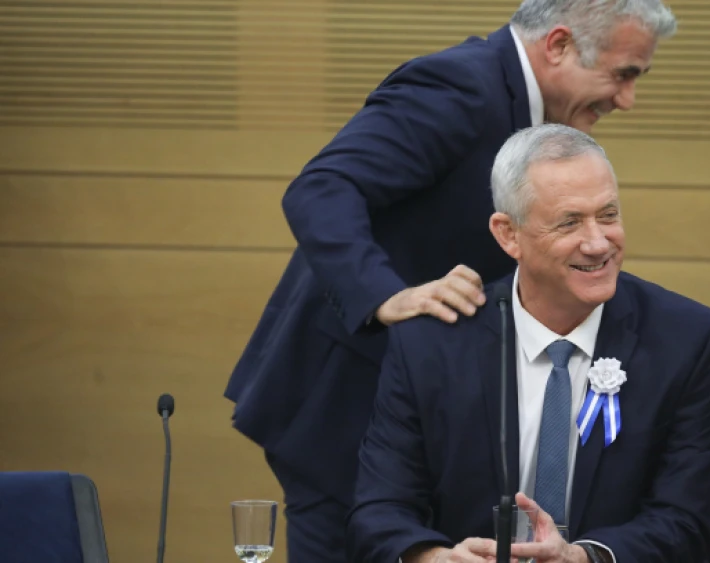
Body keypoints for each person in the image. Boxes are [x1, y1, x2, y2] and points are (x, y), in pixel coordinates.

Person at [223, 1, 678, 561]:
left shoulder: (530, 112)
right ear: (558, 45)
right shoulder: (460, 86)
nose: (627, 99)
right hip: (344, 403)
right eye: (623, 74)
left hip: (425, 415)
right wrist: (387, 295)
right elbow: (323, 188)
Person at [347, 123, 710, 563]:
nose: (597, 242)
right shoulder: (433, 343)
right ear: (508, 234)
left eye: (608, 215)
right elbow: (379, 512)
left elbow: (685, 519)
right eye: (570, 222)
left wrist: (583, 558)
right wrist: (434, 558)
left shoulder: (687, 341)